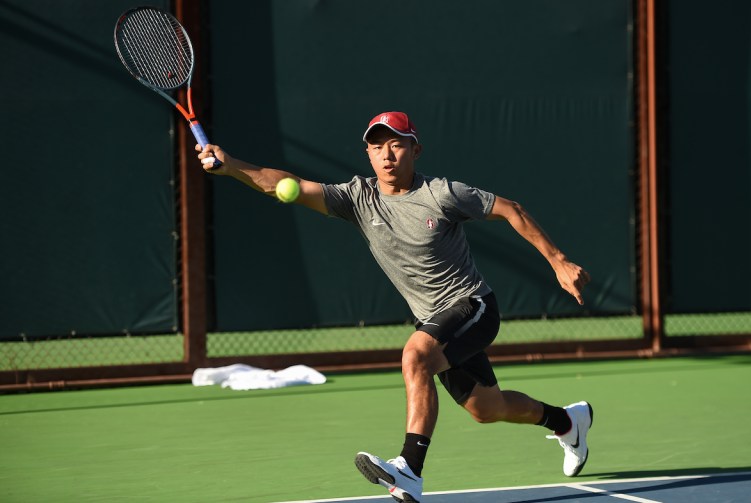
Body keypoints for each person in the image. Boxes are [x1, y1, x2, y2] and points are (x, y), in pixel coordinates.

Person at [197, 111, 592, 503]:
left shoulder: (442, 194)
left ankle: (409, 469)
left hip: (472, 305)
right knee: (487, 408)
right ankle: (568, 421)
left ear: (415, 150)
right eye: (376, 146)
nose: (386, 154)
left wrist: (558, 261)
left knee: (415, 356)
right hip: (434, 318)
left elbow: (512, 209)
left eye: (396, 144)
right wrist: (231, 166)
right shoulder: (359, 198)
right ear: (367, 154)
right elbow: (290, 186)